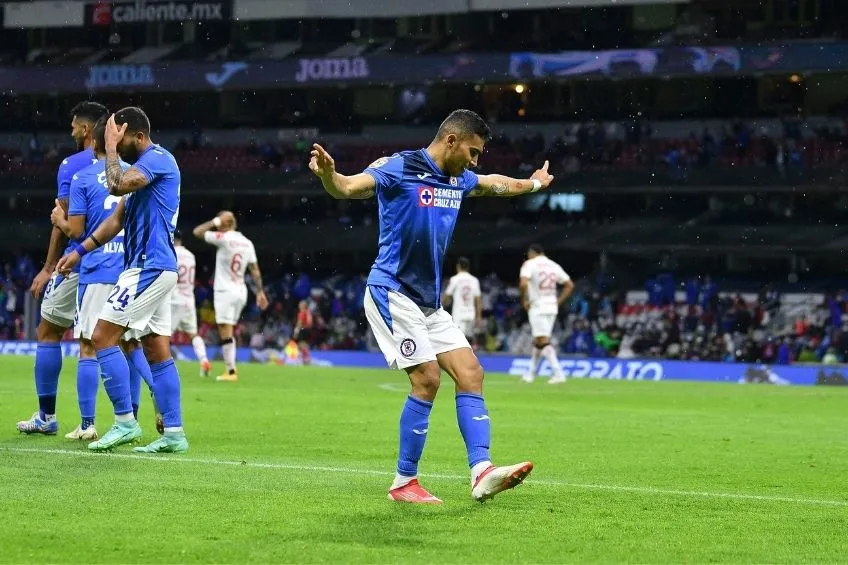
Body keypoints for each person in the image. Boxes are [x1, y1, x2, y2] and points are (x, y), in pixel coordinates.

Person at [309, 108, 553, 503]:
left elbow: (493, 185)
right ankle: (404, 482)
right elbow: (348, 188)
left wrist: (532, 185)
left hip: (428, 302)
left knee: (471, 373)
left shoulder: (459, 179)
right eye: (473, 152)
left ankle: (482, 472)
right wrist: (327, 175)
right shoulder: (399, 167)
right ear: (451, 140)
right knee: (427, 378)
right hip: (392, 292)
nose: (476, 162)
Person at [57, 107, 187, 453]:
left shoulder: (158, 159)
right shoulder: (142, 172)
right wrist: (79, 252)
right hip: (152, 267)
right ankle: (174, 433)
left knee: (101, 337)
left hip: (148, 266)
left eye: (121, 137)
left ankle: (125, 423)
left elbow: (116, 184)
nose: (114, 142)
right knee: (156, 349)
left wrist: (111, 149)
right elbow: (116, 220)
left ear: (139, 137)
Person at [17, 101, 108, 435]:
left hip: (77, 260)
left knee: (49, 330)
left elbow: (64, 221)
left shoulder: (73, 165)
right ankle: (134, 419)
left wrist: (47, 267)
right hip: (118, 260)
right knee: (124, 342)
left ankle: (47, 416)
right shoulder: (124, 163)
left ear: (86, 130)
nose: (70, 132)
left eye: (73, 126)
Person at [192, 211, 269, 381]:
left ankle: (231, 371)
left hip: (225, 290)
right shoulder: (247, 243)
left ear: (225, 224)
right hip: (241, 291)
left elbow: (197, 232)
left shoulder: (224, 238)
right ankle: (231, 369)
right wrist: (260, 291)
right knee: (229, 329)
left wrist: (214, 219)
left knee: (225, 330)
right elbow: (255, 270)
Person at [519, 244, 574, 384]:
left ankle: (558, 373)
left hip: (538, 306)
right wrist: (558, 301)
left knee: (543, 341)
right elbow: (569, 284)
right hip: (551, 307)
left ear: (532, 253)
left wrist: (524, 299)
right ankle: (530, 373)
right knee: (539, 341)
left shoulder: (530, 264)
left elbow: (523, 283)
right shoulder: (553, 265)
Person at [171, 230, 210, 376]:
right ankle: (204, 360)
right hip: (188, 298)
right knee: (194, 334)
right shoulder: (191, 256)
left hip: (173, 298)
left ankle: (162, 367)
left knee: (162, 335)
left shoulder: (170, 252)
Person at [442, 257, 482, 346]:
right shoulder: (474, 280)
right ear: (468, 267)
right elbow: (478, 300)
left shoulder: (455, 279)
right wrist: (479, 317)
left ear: (458, 266)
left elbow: (447, 296)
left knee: (458, 341)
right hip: (471, 314)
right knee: (469, 341)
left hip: (459, 315)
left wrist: (439, 307)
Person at [293, 300, 313, 365]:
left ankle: (306, 358)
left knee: (302, 344)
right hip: (308, 329)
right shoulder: (308, 312)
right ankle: (303, 358)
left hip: (303, 329)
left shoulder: (302, 313)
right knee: (301, 344)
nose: (299, 306)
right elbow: (310, 323)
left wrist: (296, 330)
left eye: (300, 305)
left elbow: (300, 322)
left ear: (303, 306)